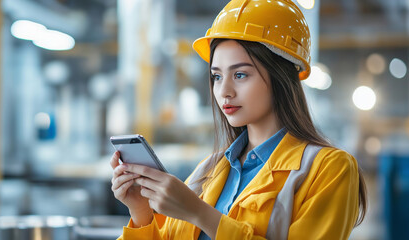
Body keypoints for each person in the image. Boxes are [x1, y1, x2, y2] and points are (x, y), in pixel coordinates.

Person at [109, 0, 367, 239]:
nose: (224, 91)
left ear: (281, 77)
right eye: (217, 76)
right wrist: (141, 212)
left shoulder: (330, 169)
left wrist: (200, 213)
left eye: (240, 75)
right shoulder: (208, 171)